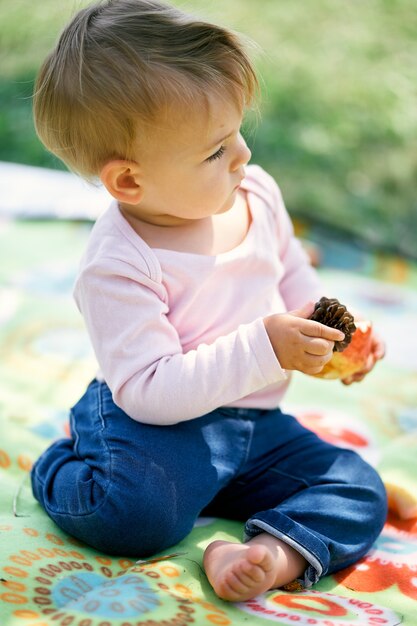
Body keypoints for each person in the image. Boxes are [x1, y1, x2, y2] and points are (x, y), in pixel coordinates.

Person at [31, 0, 387, 602]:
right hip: (154, 426)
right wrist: (267, 347)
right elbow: (150, 391)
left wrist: (330, 340)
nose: (243, 155)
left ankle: (265, 550)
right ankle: (63, 463)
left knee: (357, 487)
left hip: (255, 426)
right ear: (129, 182)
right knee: (135, 520)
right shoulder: (119, 263)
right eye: (215, 150)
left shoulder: (257, 193)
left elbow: (290, 274)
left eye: (237, 131)